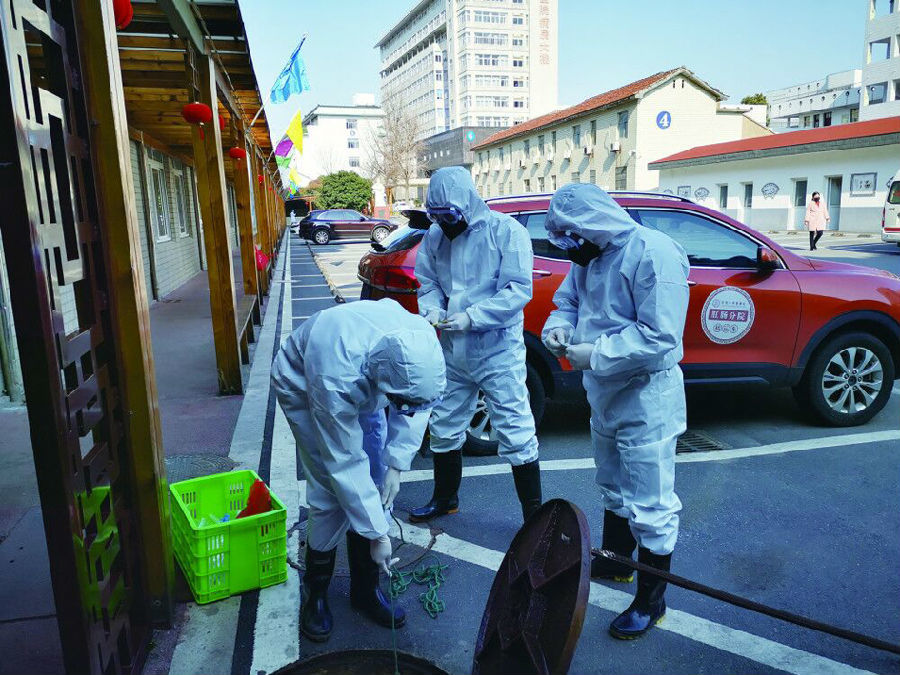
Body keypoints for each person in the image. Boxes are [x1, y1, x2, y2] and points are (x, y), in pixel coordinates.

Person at [541, 184, 690, 640]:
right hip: (603, 390)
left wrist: (596, 353)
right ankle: (619, 561)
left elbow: (660, 335)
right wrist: (559, 327)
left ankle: (652, 600)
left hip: (646, 395)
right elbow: (567, 302)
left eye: (572, 238)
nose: (569, 249)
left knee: (651, 499)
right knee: (612, 483)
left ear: (593, 225)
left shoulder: (652, 253)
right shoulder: (590, 255)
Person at [271, 299, 445, 642]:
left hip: (366, 378)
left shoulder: (420, 345)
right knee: (328, 490)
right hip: (303, 382)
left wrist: (397, 463)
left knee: (376, 478)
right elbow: (345, 461)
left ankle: (365, 590)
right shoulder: (333, 374)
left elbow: (417, 403)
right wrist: (378, 534)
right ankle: (316, 592)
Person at [410, 166, 542, 524]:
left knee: (515, 426)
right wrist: (432, 310)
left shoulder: (506, 232)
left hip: (497, 349)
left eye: (450, 216)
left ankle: (533, 516)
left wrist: (473, 317)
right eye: (437, 217)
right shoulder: (435, 236)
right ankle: (445, 498)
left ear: (467, 203)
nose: (444, 224)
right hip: (454, 348)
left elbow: (517, 290)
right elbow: (427, 281)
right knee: (444, 423)